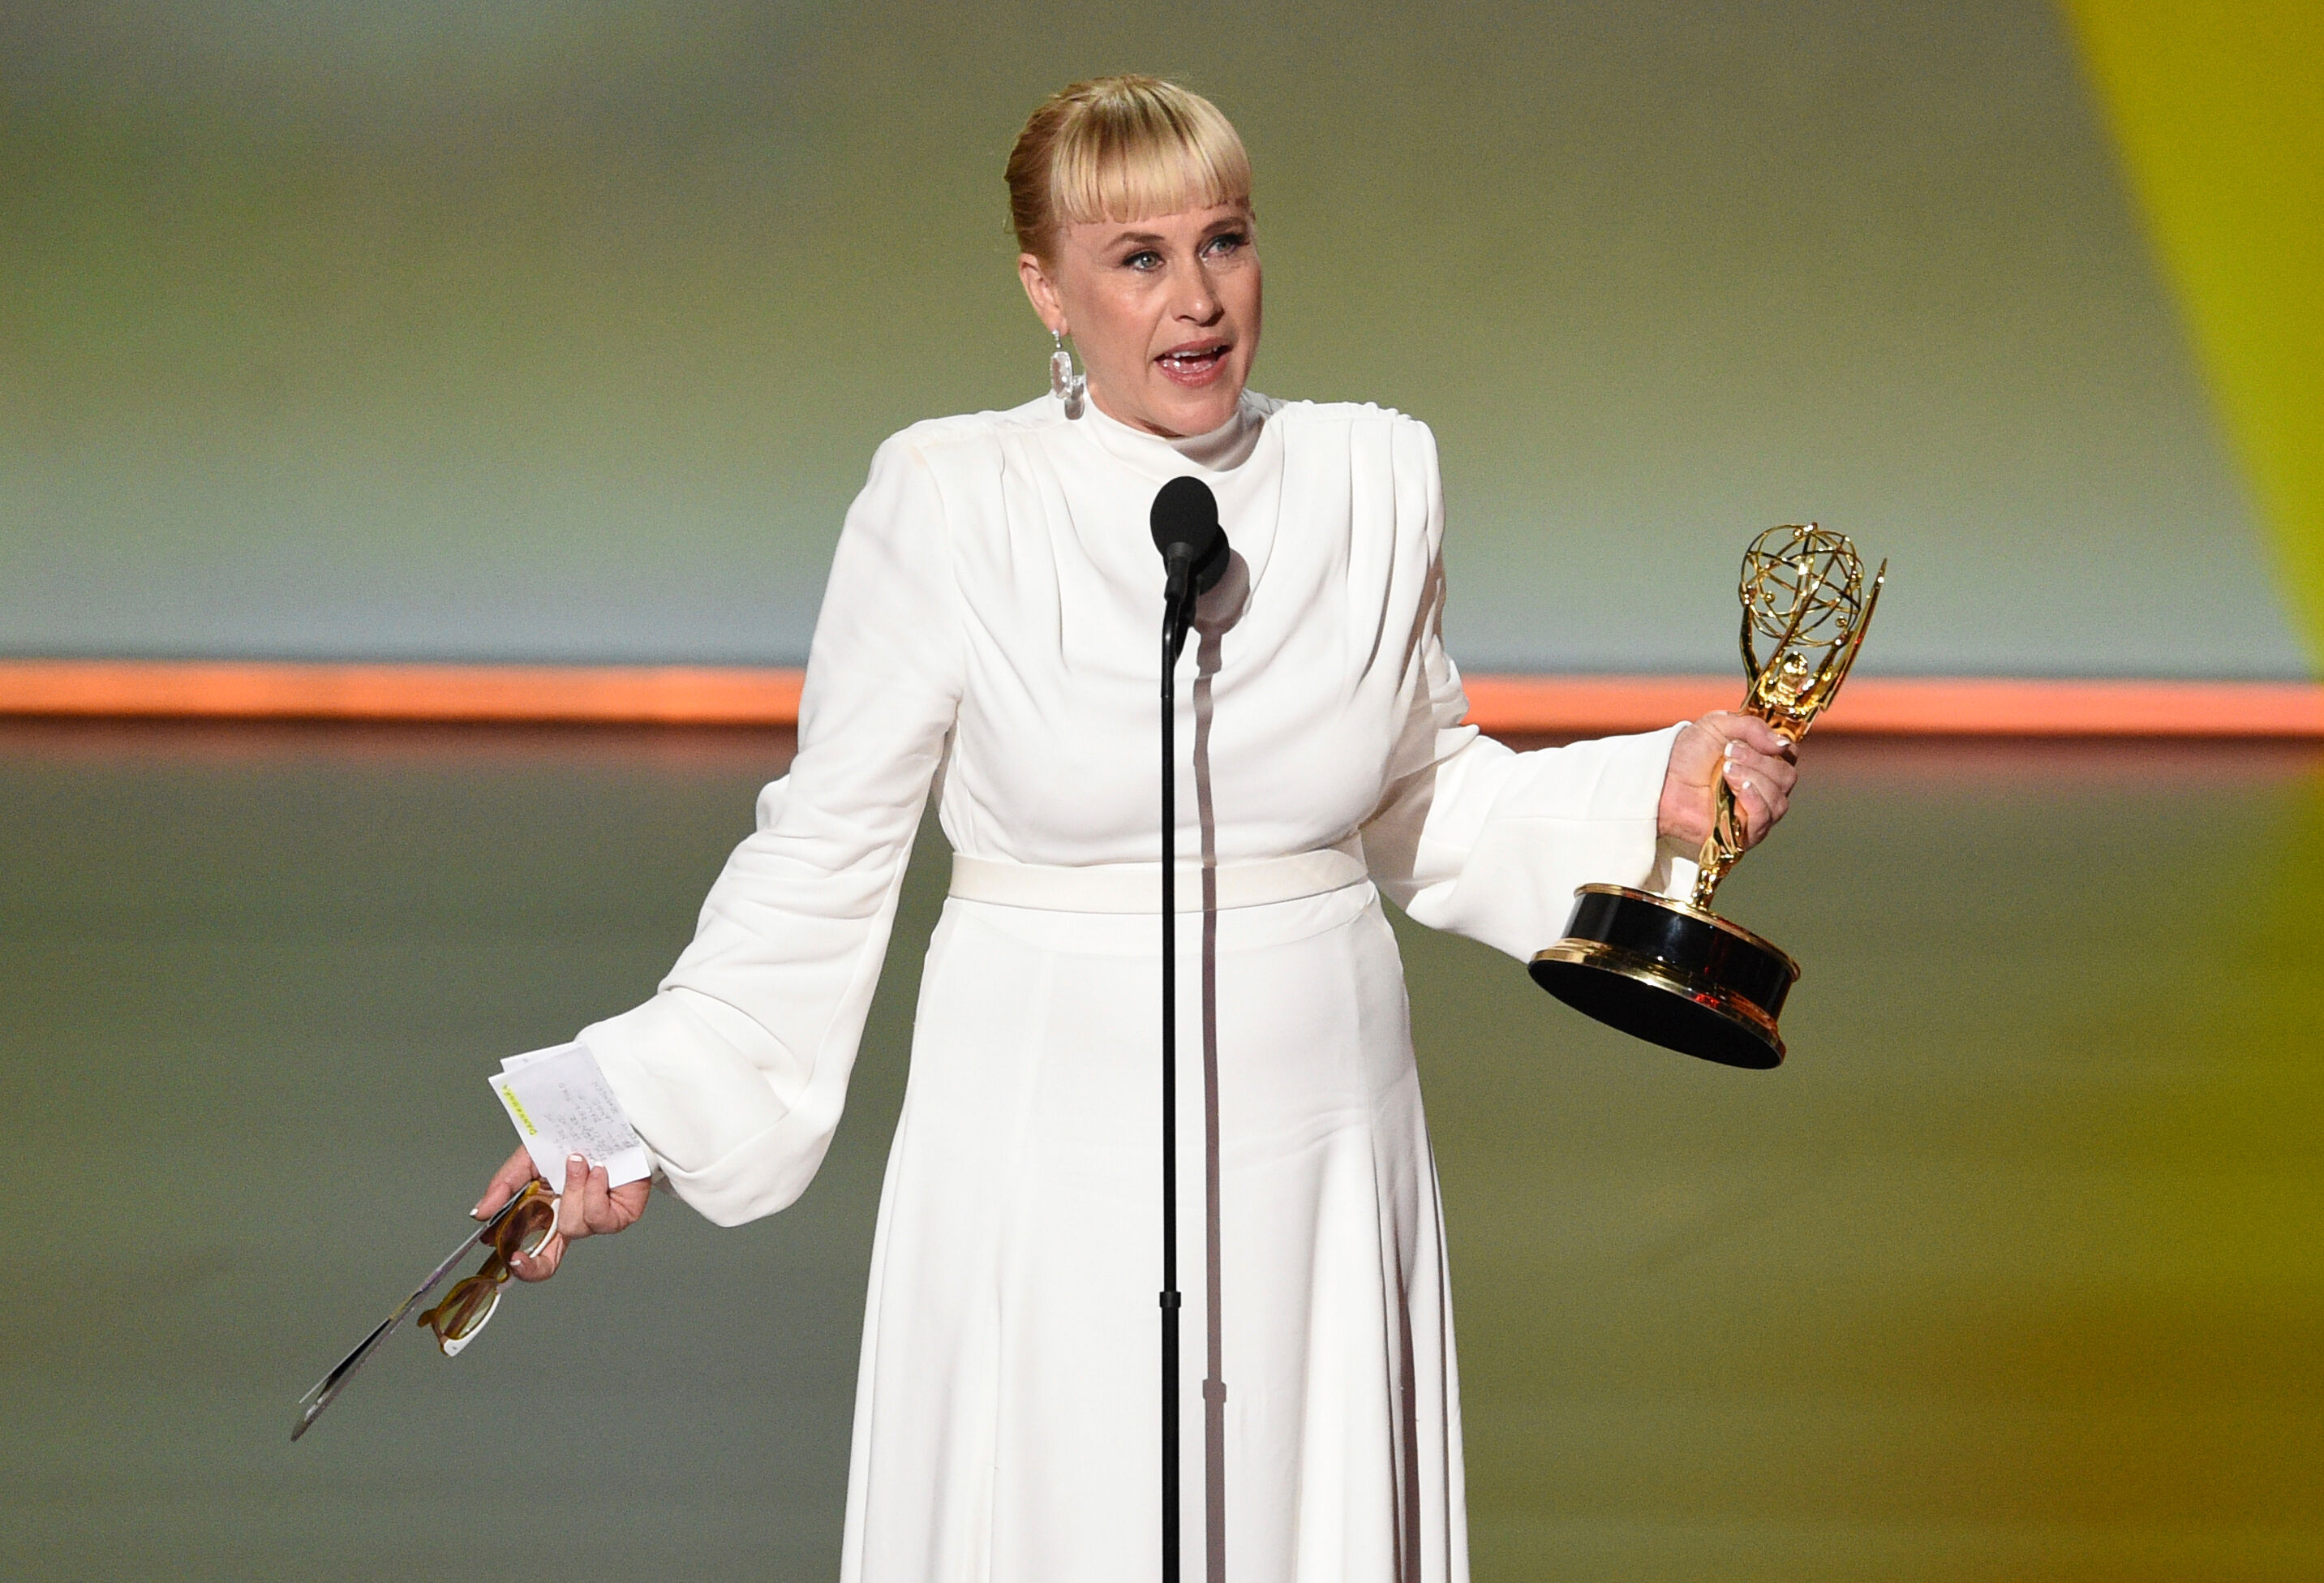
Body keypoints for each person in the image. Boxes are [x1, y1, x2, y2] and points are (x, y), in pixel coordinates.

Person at [472, 75, 1798, 1583]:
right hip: (1042, 1139)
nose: (1197, 300)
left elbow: (1419, 795)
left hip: (1321, 1134)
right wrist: (621, 1108)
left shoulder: (1368, 479)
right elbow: (823, 848)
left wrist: (1649, 786)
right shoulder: (954, 499)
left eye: (1223, 241)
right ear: (1046, 290)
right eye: (1137, 258)